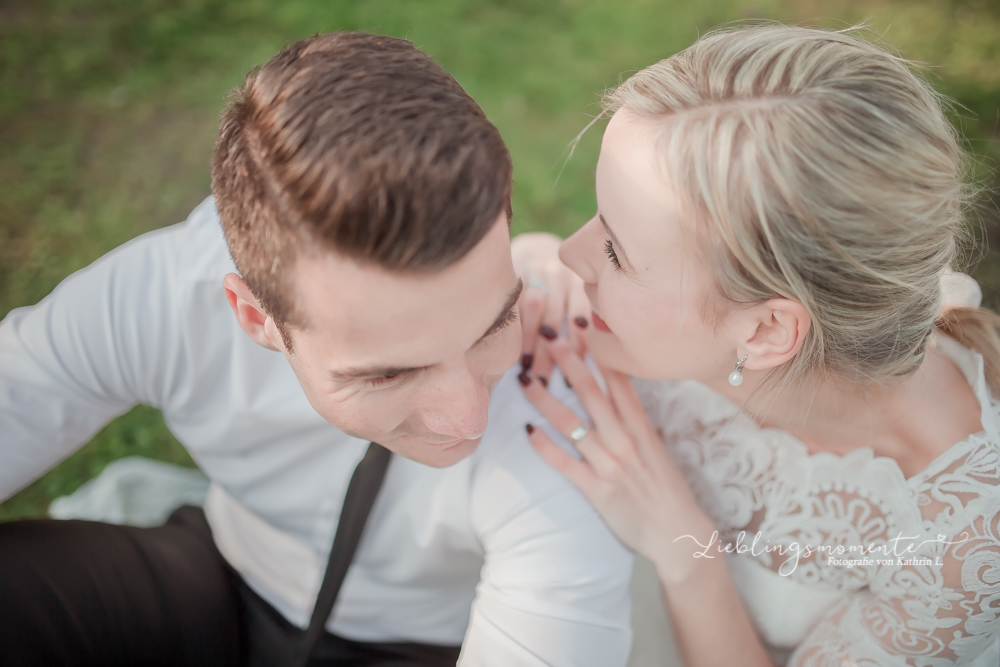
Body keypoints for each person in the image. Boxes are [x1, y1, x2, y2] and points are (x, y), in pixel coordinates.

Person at [0, 32, 634, 666]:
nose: (467, 418)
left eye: (495, 325)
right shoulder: (161, 298)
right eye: (388, 374)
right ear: (255, 316)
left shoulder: (557, 425)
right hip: (220, 572)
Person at [514, 23, 1000, 666]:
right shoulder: (682, 325)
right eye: (600, 219)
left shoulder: (956, 545)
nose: (571, 254)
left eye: (615, 252)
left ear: (767, 332)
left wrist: (684, 551)